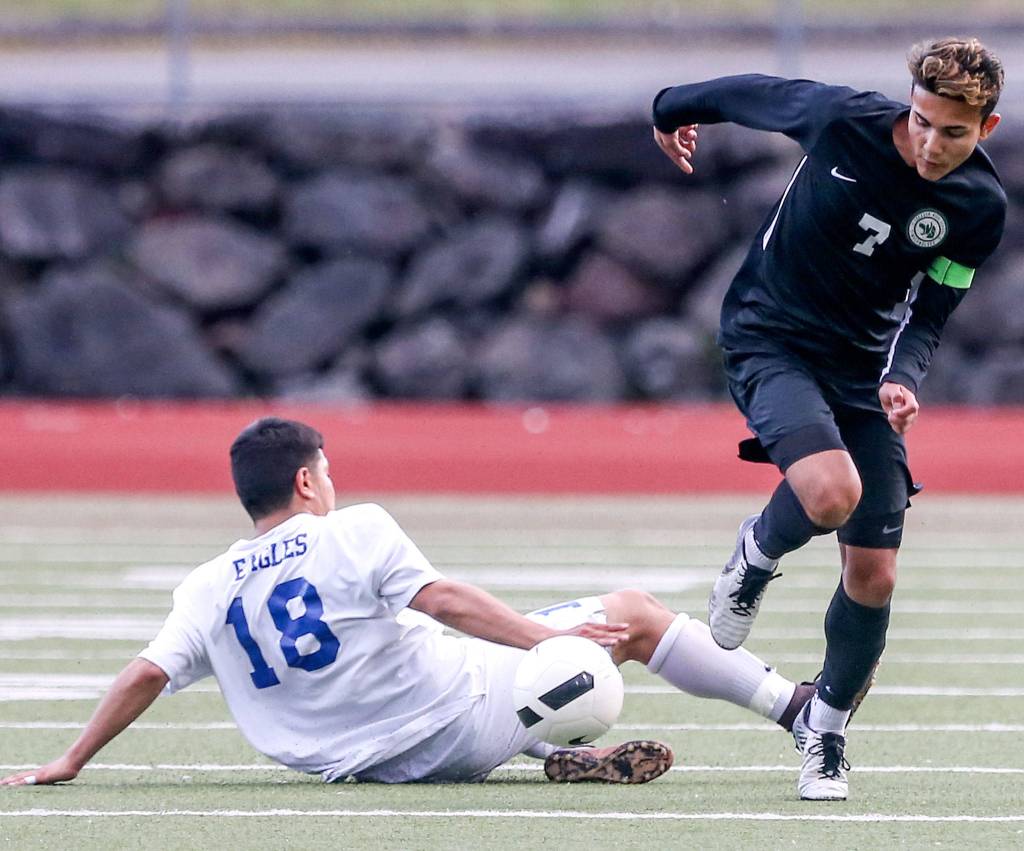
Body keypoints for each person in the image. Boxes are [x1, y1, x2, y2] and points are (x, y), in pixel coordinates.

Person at [2, 416, 814, 789]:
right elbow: (446, 599)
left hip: (354, 764)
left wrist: (71, 758)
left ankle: (558, 751)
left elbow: (145, 673)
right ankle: (795, 707)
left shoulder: (207, 584)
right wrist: (545, 636)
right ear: (306, 480)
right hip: (452, 726)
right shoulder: (351, 527)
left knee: (461, 660)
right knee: (628, 613)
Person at [652, 37, 1006, 800]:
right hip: (767, 338)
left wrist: (903, 379)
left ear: (988, 129)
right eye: (921, 122)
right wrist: (668, 110)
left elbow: (933, 314)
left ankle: (827, 728)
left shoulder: (978, 206)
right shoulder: (843, 120)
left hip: (860, 372)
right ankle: (755, 552)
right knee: (828, 493)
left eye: (952, 132)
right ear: (907, 107)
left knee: (874, 573)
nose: (929, 143)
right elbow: (752, 91)